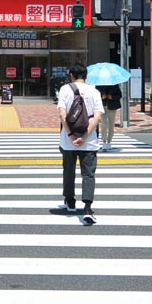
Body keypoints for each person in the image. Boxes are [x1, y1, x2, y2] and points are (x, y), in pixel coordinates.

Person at [57, 63, 103, 225]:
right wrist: (83, 137)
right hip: (89, 142)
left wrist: (71, 136)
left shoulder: (64, 89)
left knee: (68, 171)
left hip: (68, 141)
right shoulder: (94, 91)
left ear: (71, 75)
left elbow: (62, 115)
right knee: (88, 174)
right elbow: (97, 117)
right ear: (86, 76)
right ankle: (88, 208)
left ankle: (70, 201)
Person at [95, 84, 122, 151]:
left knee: (111, 125)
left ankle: (109, 142)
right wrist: (102, 96)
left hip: (112, 107)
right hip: (102, 106)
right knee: (104, 124)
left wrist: (112, 97)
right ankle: (104, 142)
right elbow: (95, 96)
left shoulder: (115, 85)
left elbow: (119, 95)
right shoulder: (99, 86)